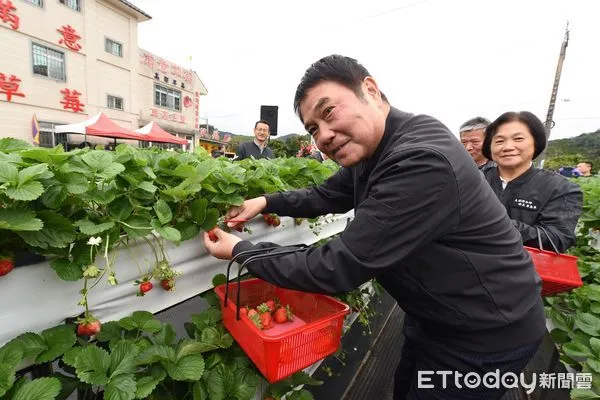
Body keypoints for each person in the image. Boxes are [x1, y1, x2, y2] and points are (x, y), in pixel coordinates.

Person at [203, 55, 545, 399]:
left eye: (328, 112)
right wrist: (266, 202)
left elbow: (336, 266)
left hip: (485, 334)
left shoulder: (421, 160)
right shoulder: (381, 146)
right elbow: (327, 194)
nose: (323, 136)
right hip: (437, 316)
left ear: (370, 90)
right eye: (313, 129)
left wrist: (239, 251)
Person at [481, 111, 583, 253]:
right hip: (469, 265)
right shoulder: (471, 181)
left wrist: (497, 225)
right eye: (499, 141)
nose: (507, 147)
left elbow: (558, 238)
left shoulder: (561, 188)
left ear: (536, 142)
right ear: (489, 147)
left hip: (524, 269)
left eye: (518, 139)